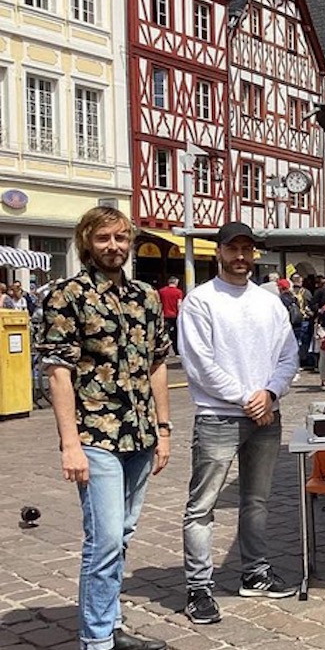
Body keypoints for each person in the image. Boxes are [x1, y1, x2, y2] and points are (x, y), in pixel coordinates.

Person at [38, 206, 172, 650]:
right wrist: (69, 445)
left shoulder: (146, 297)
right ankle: (96, 641)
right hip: (95, 435)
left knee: (123, 535)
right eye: (103, 239)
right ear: (86, 243)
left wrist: (164, 429)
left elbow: (157, 365)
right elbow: (58, 371)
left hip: (139, 436)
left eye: (120, 238)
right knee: (106, 539)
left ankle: (110, 624)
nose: (113, 246)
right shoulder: (67, 295)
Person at [178, 221, 300, 624]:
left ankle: (255, 573)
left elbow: (289, 356)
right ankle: (199, 587)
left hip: (266, 413)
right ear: (219, 253)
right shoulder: (200, 301)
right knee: (203, 506)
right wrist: (247, 398)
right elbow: (199, 364)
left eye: (247, 249)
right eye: (234, 249)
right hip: (219, 416)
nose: (241, 257)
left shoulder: (269, 302)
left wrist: (271, 393)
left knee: (257, 501)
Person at [158, 276, 184, 355]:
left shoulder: (161, 291)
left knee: (165, 334)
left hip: (164, 315)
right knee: (176, 334)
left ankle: (165, 351)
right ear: (176, 282)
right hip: (174, 315)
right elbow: (179, 304)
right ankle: (177, 351)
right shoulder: (178, 292)